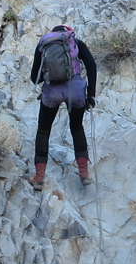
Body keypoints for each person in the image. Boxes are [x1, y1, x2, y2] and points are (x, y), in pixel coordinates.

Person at [29, 23, 96, 187]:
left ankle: (39, 178)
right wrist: (91, 95)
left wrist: (48, 77)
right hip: (76, 91)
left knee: (43, 131)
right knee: (77, 127)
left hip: (52, 93)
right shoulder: (76, 43)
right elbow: (92, 66)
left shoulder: (44, 45)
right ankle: (84, 174)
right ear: (68, 33)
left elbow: (34, 77)